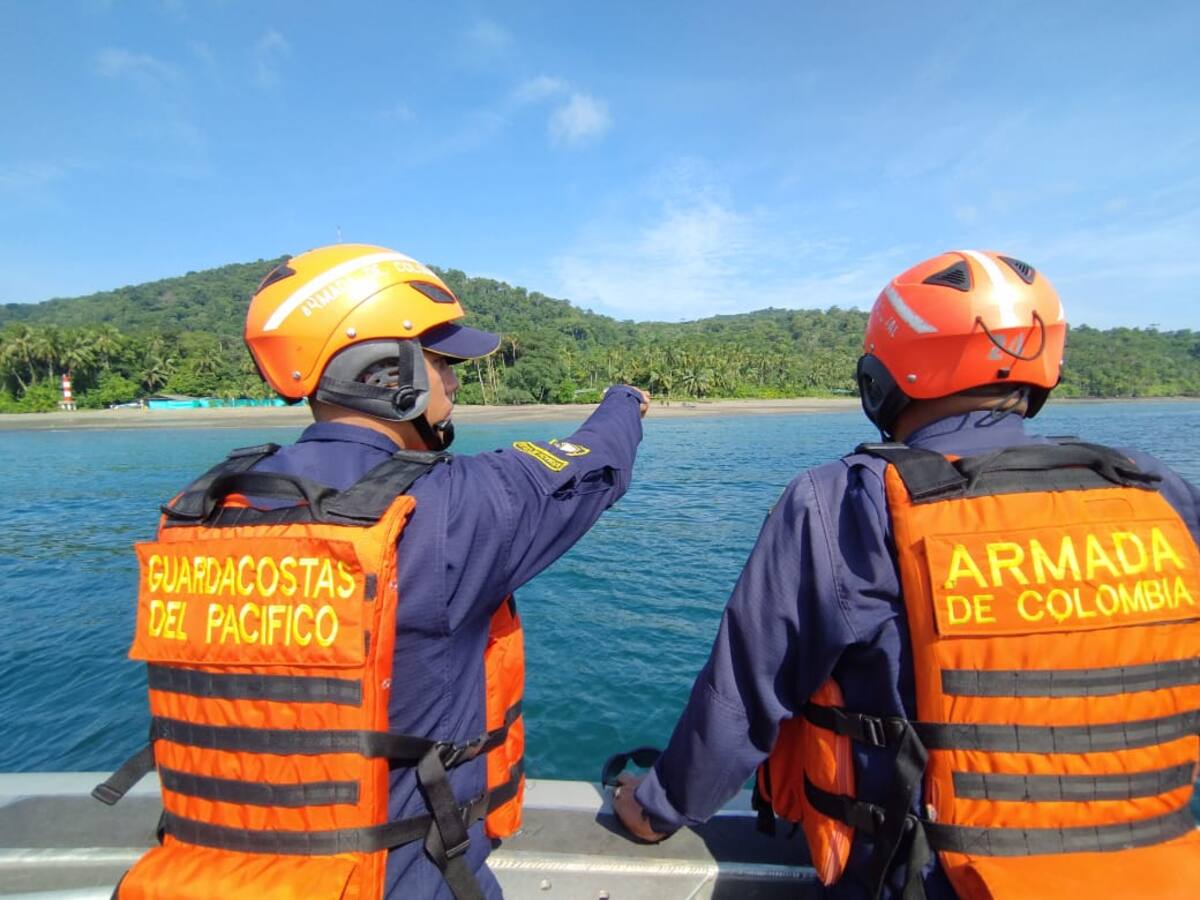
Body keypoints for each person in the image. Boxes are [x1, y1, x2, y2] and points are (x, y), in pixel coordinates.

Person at [612, 250, 1200, 899]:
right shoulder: (1154, 490)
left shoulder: (842, 502)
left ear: (884, 375)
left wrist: (654, 808)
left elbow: (743, 697)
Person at [95, 243, 649, 900]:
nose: (454, 381)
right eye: (443, 361)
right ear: (387, 371)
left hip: (210, 875)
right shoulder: (448, 510)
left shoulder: (200, 511)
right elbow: (589, 466)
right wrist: (623, 402)